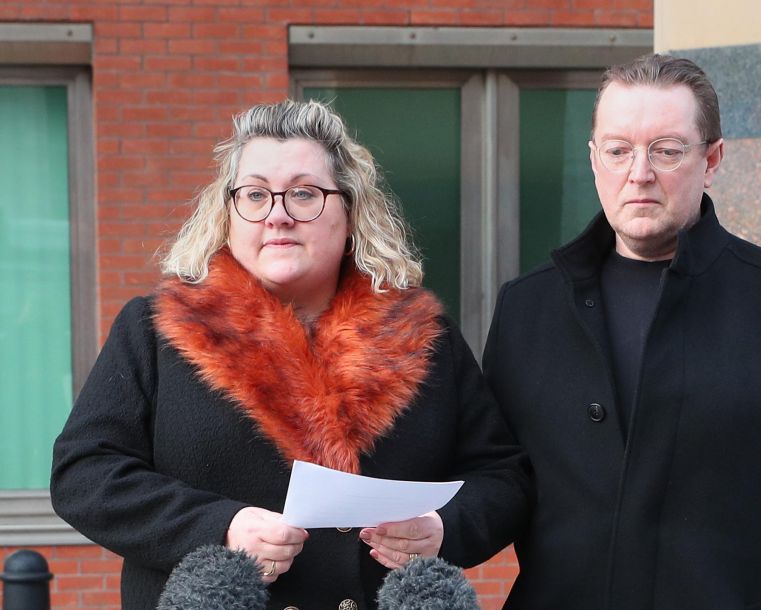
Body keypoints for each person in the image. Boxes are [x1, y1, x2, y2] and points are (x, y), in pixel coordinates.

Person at [51, 99, 532, 610]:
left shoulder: (424, 337)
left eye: (304, 194)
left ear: (350, 209)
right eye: (255, 195)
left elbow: (503, 479)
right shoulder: (154, 330)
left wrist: (441, 529)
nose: (277, 216)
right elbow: (85, 473)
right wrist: (221, 528)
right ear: (228, 212)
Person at [483, 54, 761, 609]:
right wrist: (429, 524)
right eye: (619, 150)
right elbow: (495, 483)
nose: (640, 172)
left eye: (667, 150)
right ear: (595, 159)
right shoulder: (526, 308)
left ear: (712, 159)